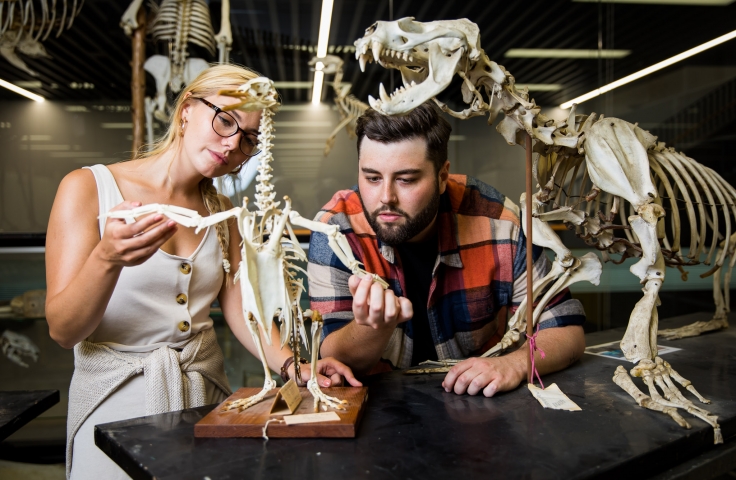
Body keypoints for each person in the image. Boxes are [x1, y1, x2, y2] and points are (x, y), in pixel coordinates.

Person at [45, 64, 360, 480]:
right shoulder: (87, 188)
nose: (232, 144)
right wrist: (107, 258)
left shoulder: (223, 213)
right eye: (225, 120)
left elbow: (241, 310)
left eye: (249, 139)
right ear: (187, 110)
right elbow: (64, 330)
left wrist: (292, 367)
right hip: (113, 405)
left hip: (205, 401)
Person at [307, 102, 586, 397]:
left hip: (482, 410)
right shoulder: (335, 230)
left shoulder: (499, 222)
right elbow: (332, 360)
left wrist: (514, 364)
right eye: (372, 178)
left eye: (406, 179)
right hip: (374, 413)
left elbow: (568, 332)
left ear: (442, 177)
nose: (385, 198)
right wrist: (374, 327)